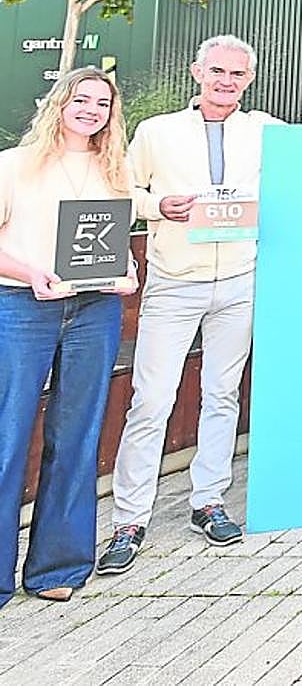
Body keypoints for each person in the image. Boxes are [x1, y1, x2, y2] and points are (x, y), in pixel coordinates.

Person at [96, 35, 302, 575]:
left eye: (236, 74)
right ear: (197, 72)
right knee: (151, 401)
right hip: (174, 281)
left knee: (222, 394)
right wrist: (155, 205)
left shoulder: (262, 129)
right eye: (216, 71)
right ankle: (130, 519)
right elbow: (120, 188)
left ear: (248, 80)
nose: (226, 81)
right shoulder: (157, 132)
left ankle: (208, 502)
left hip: (239, 281)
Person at [0, 68, 139, 607]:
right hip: (21, 306)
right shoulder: (14, 166)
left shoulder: (115, 170)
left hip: (94, 311)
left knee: (77, 436)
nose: (90, 109)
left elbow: (114, 240)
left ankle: (59, 566)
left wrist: (127, 272)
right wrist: (31, 274)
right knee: (7, 438)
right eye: (80, 99)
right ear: (59, 104)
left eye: (101, 103)